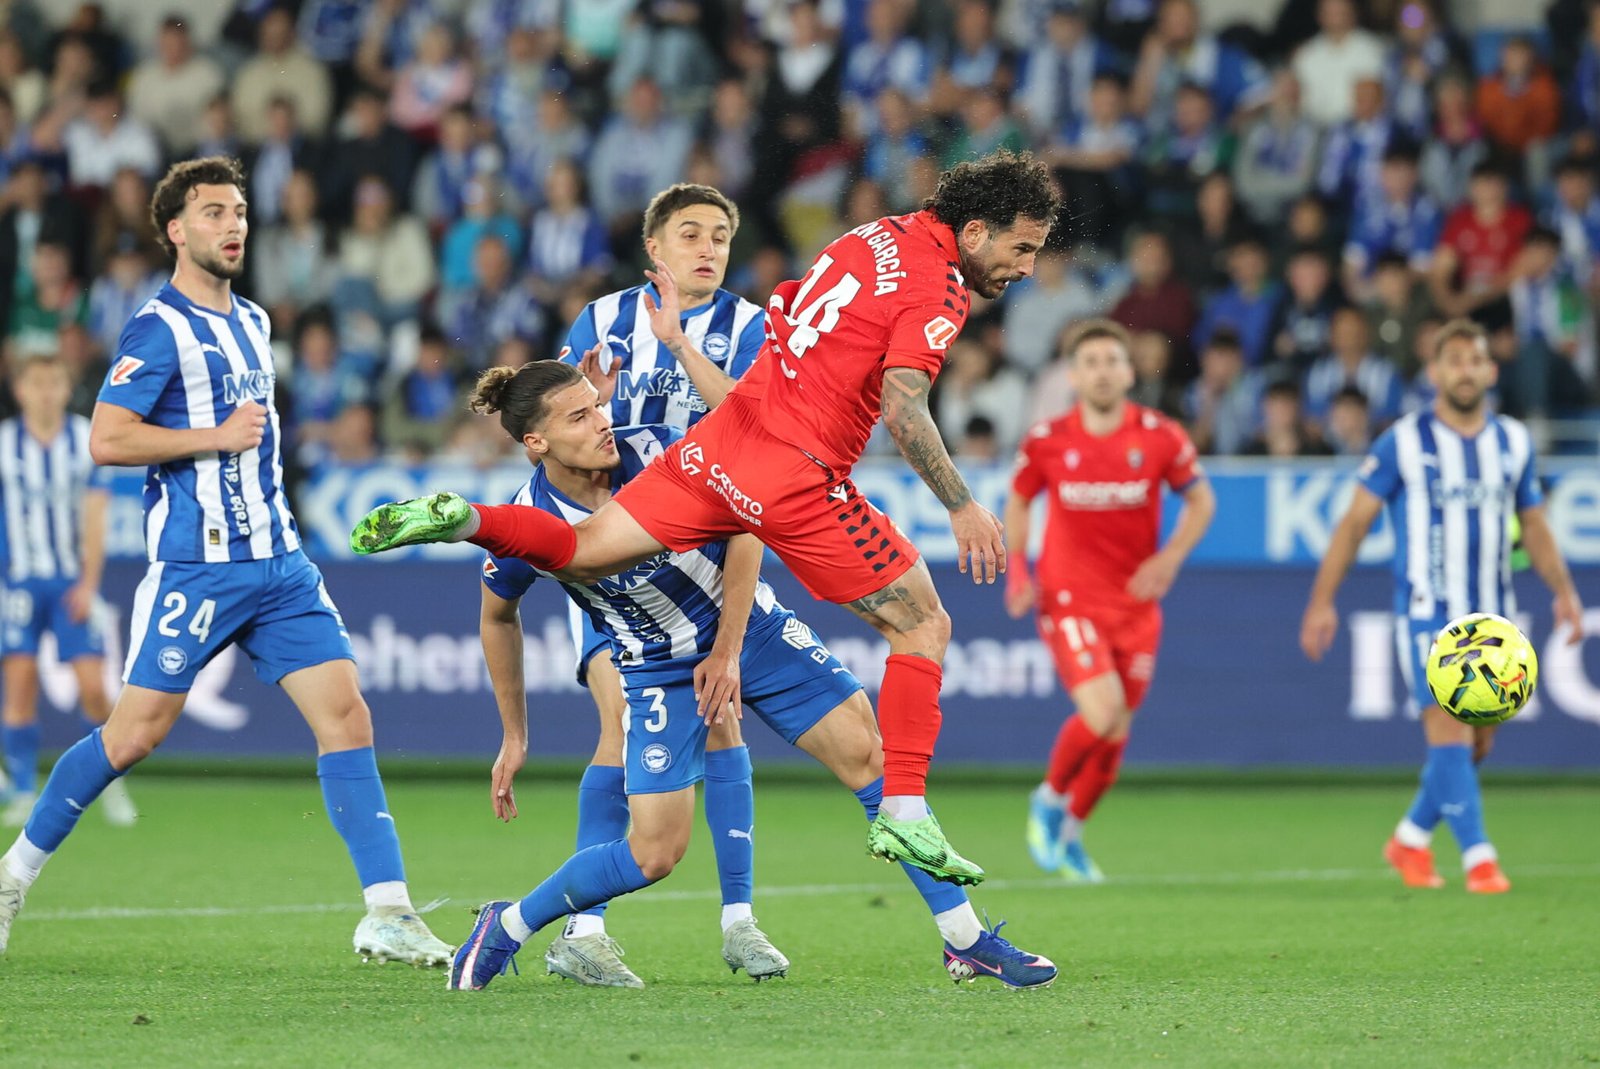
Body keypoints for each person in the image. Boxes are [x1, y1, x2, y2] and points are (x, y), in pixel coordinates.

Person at [352, 151, 1062, 885]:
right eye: (1022, 248)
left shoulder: (875, 234)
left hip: (722, 441)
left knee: (585, 549)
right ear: (974, 232)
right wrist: (961, 504)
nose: (1027, 267)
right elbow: (903, 407)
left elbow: (793, 313)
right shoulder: (939, 286)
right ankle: (905, 810)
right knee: (923, 624)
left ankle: (469, 518)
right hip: (795, 473)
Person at [457, 361, 1056, 991]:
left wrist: (728, 650)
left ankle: (965, 940)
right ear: (536, 442)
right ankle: (510, 922)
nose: (602, 421)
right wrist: (514, 735)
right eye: (579, 417)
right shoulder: (526, 520)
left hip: (755, 632)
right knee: (653, 855)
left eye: (597, 405)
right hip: (658, 670)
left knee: (870, 759)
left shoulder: (660, 448)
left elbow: (747, 521)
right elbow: (497, 617)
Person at [0, 158, 451, 964]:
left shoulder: (254, 320)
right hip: (197, 568)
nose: (233, 224)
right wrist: (211, 435)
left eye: (239, 210)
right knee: (133, 734)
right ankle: (13, 875)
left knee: (347, 714)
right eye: (213, 212)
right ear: (176, 230)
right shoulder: (157, 327)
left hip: (280, 564)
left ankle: (387, 908)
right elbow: (107, 437)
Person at [1300, 318, 1584, 894]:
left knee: (1475, 742)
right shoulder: (1402, 441)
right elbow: (1354, 524)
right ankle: (1480, 860)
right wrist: (1322, 601)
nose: (1464, 370)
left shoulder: (1513, 442)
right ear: (1434, 372)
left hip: (1495, 618)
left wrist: (1565, 591)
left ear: (1491, 370)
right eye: (1452, 360)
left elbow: (1533, 524)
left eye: (1473, 360)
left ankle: (1409, 840)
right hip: (1428, 613)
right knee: (1449, 725)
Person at [1003, 320, 1215, 881]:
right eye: (1090, 362)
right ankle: (1049, 799)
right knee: (1100, 713)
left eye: (1111, 361)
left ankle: (1072, 835)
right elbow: (1019, 500)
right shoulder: (1047, 440)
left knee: (1117, 729)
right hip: (1069, 599)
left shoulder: (1161, 436)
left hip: (1136, 607)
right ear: (1073, 377)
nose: (1101, 372)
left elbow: (1202, 501)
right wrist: (1018, 571)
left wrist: (1169, 559)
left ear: (1129, 372)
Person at [0, 355, 133, 829]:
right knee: (19, 687)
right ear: (20, 390)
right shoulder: (5, 443)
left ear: (65, 389)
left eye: (54, 382)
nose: (45, 392)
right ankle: (22, 790)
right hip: (19, 582)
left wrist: (89, 583)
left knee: (94, 689)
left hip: (72, 583)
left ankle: (109, 780)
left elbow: (96, 515)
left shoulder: (83, 439)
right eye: (36, 383)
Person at [559, 183, 765, 430]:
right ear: (654, 249)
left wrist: (677, 343)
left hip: (707, 458)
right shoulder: (601, 316)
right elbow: (550, 429)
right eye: (691, 236)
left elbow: (750, 418)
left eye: (719, 239)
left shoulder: (751, 324)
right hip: (615, 457)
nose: (709, 251)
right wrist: (591, 404)